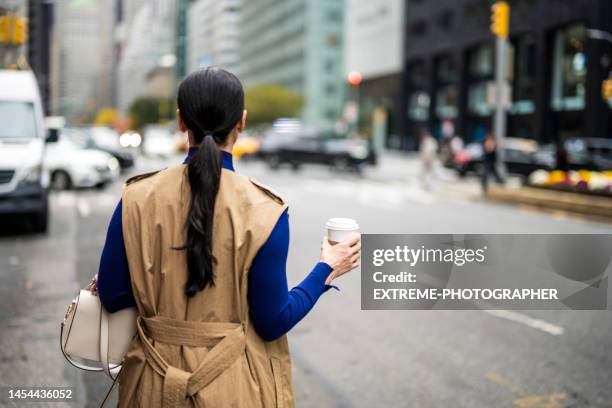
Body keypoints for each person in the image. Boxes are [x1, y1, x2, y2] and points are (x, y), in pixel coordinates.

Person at [95, 67, 361, 407]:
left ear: (181, 122)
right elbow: (272, 321)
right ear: (242, 122)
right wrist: (327, 269)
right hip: (235, 389)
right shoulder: (266, 210)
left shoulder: (136, 198)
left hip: (151, 385)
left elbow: (114, 296)